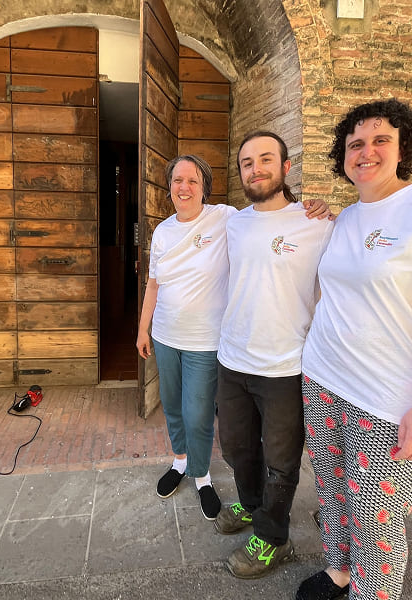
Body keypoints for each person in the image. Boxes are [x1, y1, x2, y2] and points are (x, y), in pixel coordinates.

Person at [296, 99, 412, 600]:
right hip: (323, 376)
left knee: (378, 527)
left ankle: (368, 590)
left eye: (381, 140)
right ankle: (339, 572)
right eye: (355, 143)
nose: (367, 151)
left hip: (388, 398)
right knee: (333, 496)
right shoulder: (345, 219)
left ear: (403, 148)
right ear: (343, 156)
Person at [136, 154, 329, 521]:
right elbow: (153, 283)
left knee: (198, 414)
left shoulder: (227, 218)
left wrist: (312, 207)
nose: (184, 187)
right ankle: (180, 461)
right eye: (178, 180)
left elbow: (270, 214)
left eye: (193, 180)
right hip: (164, 335)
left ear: (204, 187)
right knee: (172, 405)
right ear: (169, 188)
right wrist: (142, 329)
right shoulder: (162, 232)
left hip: (206, 341)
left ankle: (201, 476)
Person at [214, 132, 335, 579]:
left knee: (280, 462)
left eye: (266, 159)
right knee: (237, 449)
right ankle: (249, 505)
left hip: (285, 365)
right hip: (232, 360)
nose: (255, 168)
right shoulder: (233, 223)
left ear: (286, 167)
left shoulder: (318, 224)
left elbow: (353, 273)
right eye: (247, 162)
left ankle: (273, 538)